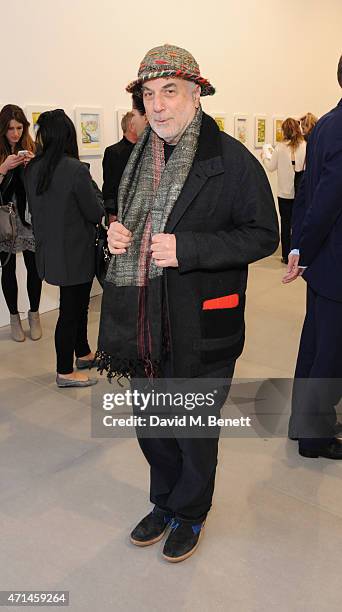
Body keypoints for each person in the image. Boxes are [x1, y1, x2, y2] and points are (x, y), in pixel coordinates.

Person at [97, 44, 279, 562]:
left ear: (196, 94)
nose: (157, 106)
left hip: (202, 323)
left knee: (193, 429)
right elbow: (125, 221)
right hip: (143, 323)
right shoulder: (134, 161)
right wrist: (113, 235)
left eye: (169, 92)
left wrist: (190, 249)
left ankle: (192, 512)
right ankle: (165, 501)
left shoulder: (231, 161)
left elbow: (263, 234)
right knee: (152, 424)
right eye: (149, 95)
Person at [283, 55, 342, 459]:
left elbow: (308, 193)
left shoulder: (326, 124)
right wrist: (305, 247)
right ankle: (315, 437)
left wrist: (300, 248)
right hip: (336, 260)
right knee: (330, 353)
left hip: (323, 260)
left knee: (315, 345)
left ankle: (302, 422)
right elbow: (326, 198)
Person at [25, 110, 103, 388]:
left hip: (49, 252)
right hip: (76, 253)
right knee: (71, 312)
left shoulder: (32, 168)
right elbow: (95, 212)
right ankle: (64, 371)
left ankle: (82, 353)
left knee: (77, 306)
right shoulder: (75, 170)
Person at [0, 104, 42, 342]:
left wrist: (34, 166)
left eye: (19, 127)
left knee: (33, 266)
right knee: (8, 268)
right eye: (10, 129)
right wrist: (4, 168)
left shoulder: (32, 147)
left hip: (28, 217)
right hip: (5, 218)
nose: (15, 133)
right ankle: (14, 319)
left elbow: (42, 187)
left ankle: (34, 315)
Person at [262, 118, 306, 264]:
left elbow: (270, 167)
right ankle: (298, 252)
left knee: (285, 224)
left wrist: (264, 156)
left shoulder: (280, 148)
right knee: (298, 223)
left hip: (284, 193)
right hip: (300, 193)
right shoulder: (304, 146)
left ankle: (286, 255)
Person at [102, 98, 148, 222]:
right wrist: (112, 214)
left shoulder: (146, 150)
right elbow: (109, 187)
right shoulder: (113, 152)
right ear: (132, 126)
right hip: (121, 214)